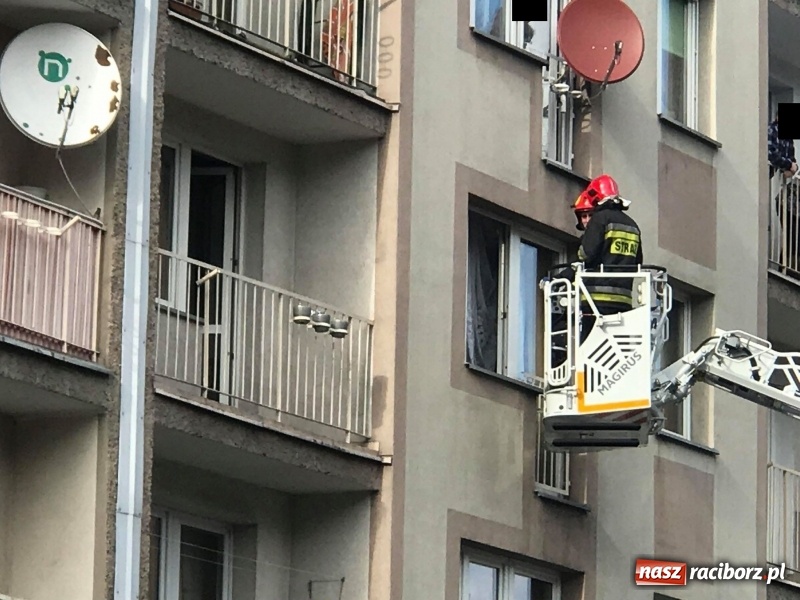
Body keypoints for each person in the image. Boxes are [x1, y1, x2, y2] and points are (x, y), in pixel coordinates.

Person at [549, 175, 643, 367]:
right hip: (623, 303)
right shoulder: (632, 225)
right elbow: (638, 262)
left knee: (590, 355)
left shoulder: (601, 219)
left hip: (596, 302)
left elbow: (586, 254)